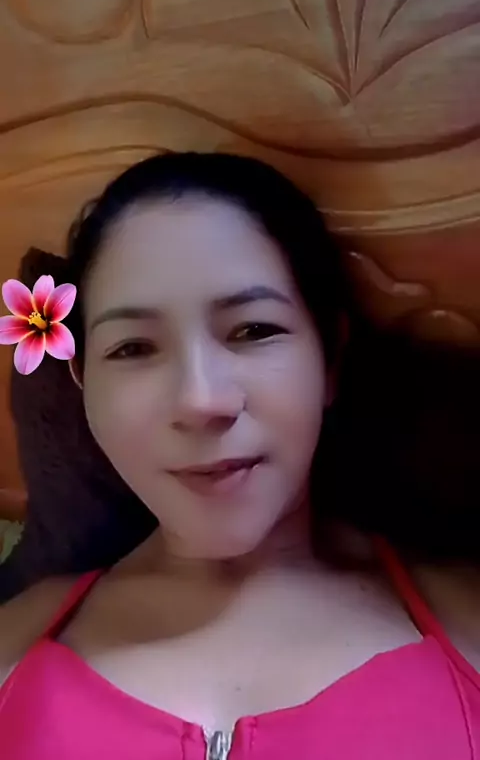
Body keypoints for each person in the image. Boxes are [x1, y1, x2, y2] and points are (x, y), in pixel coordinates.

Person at [0, 152, 476, 759]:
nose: (201, 401)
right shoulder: (13, 646)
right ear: (82, 382)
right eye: (134, 348)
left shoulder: (466, 624)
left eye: (254, 330)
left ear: (329, 358)